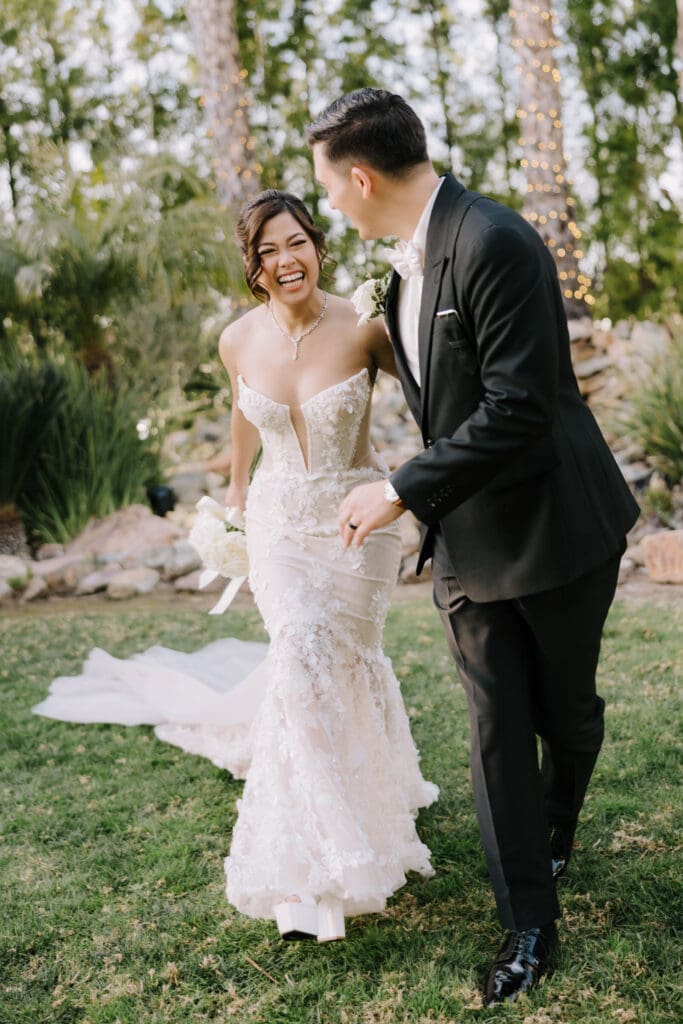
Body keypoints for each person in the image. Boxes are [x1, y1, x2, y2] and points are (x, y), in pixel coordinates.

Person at [33, 188, 438, 943]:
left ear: (317, 246)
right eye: (267, 251)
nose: (285, 261)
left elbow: (433, 404)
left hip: (355, 521)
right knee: (300, 653)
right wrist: (235, 498)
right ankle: (313, 873)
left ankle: (376, 788)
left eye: (296, 243)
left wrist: (419, 486)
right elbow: (243, 414)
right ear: (252, 266)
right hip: (279, 525)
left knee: (346, 658)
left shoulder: (366, 327)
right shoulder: (235, 339)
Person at [306, 89, 639, 1001]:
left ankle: (559, 819)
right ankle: (527, 922)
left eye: (328, 188)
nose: (331, 204)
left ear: (360, 178)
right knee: (496, 731)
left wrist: (398, 489)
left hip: (554, 529)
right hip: (465, 542)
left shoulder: (495, 240)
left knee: (565, 715)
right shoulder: (398, 275)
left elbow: (520, 405)